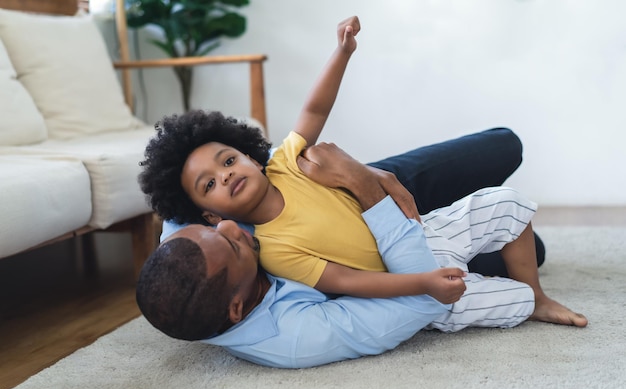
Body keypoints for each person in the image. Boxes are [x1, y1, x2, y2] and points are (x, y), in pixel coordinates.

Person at [139, 15, 586, 326]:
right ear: (212, 217)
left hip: (423, 234)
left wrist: (343, 51)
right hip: (406, 285)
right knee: (511, 302)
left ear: (252, 156)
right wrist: (422, 282)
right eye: (210, 185)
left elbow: (315, 107)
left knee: (508, 205)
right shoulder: (272, 251)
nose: (227, 175)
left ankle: (540, 296)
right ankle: (527, 301)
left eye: (229, 160)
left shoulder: (286, 162)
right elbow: (348, 280)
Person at [136, 161, 537, 368]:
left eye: (215, 226)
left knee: (503, 147)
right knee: (524, 289)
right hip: (411, 273)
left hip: (333, 209)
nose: (232, 227)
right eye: (236, 246)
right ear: (237, 308)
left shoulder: (187, 245)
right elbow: (424, 302)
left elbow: (199, 192)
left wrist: (359, 173)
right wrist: (363, 185)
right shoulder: (296, 336)